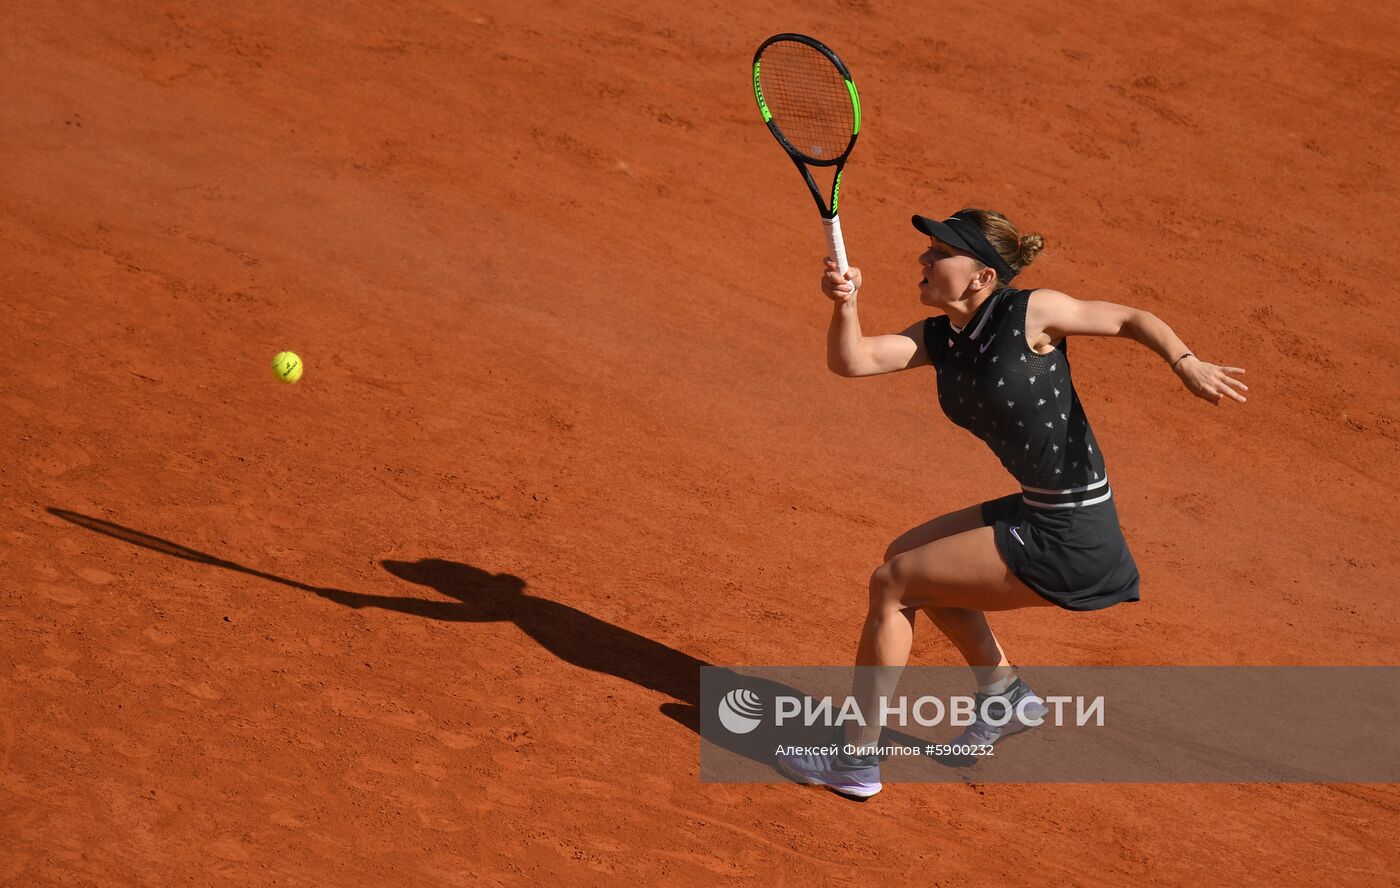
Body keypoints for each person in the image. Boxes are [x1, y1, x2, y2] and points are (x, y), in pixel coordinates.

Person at [777, 208, 1247, 799]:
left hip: (1072, 532)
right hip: (1041, 508)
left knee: (893, 582)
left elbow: (1130, 317)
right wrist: (843, 303)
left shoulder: (1033, 313)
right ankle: (1003, 697)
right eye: (927, 249)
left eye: (940, 252)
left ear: (981, 277)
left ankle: (854, 760)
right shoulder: (941, 338)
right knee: (911, 555)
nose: (923, 259)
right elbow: (851, 361)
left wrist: (1186, 362)